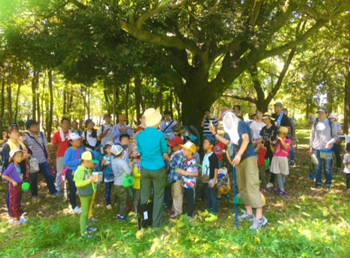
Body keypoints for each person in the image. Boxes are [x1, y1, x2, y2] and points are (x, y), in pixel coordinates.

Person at [210, 110, 268, 230]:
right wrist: (215, 134)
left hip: (248, 157)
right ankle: (249, 213)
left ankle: (260, 218)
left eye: (225, 118)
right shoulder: (231, 131)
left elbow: (246, 140)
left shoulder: (240, 124)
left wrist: (239, 155)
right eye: (223, 119)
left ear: (231, 116)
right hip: (239, 160)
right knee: (242, 186)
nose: (225, 121)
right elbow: (229, 143)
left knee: (252, 184)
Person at [137, 108, 169, 227]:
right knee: (158, 196)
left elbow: (140, 151)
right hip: (158, 167)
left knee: (144, 195)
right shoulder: (160, 134)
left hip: (145, 167)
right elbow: (164, 150)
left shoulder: (140, 135)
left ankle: (143, 221)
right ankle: (156, 223)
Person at [23, 120, 59, 199]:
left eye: (36, 125)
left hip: (43, 160)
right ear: (29, 128)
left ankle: (53, 192)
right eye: (33, 126)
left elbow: (46, 146)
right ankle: (34, 195)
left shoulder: (42, 135)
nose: (36, 127)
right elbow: (21, 147)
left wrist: (48, 157)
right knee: (34, 178)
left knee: (48, 176)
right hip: (32, 161)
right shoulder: (26, 137)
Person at [309, 107, 338, 190]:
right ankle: (318, 183)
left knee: (327, 167)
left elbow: (335, 136)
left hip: (327, 149)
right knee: (317, 166)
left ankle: (328, 183)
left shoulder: (331, 124)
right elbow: (312, 135)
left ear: (326, 114)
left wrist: (330, 142)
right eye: (319, 113)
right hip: (316, 148)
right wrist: (311, 147)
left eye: (322, 113)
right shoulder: (315, 123)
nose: (320, 114)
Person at [73, 151, 99, 238]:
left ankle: (86, 226)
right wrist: (90, 180)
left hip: (89, 193)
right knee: (84, 213)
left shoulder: (88, 169)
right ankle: (83, 232)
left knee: (87, 212)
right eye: (92, 162)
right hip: (84, 195)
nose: (93, 164)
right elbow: (78, 184)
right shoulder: (80, 171)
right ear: (86, 161)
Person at [2, 149, 28, 224]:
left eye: (21, 156)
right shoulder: (11, 166)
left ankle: (13, 217)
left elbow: (16, 175)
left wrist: (21, 178)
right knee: (14, 202)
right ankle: (18, 218)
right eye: (19, 156)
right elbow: (4, 175)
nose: (20, 158)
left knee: (16, 201)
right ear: (13, 157)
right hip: (14, 187)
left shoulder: (17, 165)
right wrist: (12, 181)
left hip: (19, 185)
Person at [199, 137, 219, 222]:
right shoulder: (205, 155)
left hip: (211, 179)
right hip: (205, 179)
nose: (204, 144)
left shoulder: (213, 156)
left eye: (206, 143)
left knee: (212, 196)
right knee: (207, 195)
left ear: (211, 145)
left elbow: (216, 168)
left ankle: (214, 213)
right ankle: (209, 209)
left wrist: (214, 180)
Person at [176, 142, 199, 220]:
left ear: (190, 151)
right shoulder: (186, 160)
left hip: (190, 184)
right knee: (188, 198)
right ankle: (189, 214)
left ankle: (190, 215)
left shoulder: (193, 161)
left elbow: (196, 173)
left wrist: (184, 172)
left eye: (185, 149)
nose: (183, 151)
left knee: (191, 199)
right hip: (185, 183)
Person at [64, 133, 85, 213]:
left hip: (81, 171)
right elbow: (66, 162)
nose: (78, 141)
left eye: (79, 140)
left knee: (81, 188)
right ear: (71, 142)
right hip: (72, 172)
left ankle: (82, 204)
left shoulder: (81, 149)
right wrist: (78, 161)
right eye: (76, 140)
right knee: (73, 188)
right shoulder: (69, 151)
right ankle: (74, 206)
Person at [112, 144, 132, 221]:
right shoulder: (122, 162)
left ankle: (118, 213)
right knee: (123, 200)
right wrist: (130, 165)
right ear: (122, 153)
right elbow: (128, 172)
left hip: (116, 183)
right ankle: (122, 216)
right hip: (123, 183)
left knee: (119, 200)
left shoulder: (113, 161)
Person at [270, 127, 292, 196]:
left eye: (281, 133)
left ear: (285, 134)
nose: (279, 134)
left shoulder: (288, 140)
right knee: (278, 173)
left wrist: (281, 140)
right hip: (276, 157)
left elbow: (286, 147)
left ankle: (281, 188)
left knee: (284, 174)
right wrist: (271, 144)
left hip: (283, 158)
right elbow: (274, 151)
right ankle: (282, 189)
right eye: (279, 133)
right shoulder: (277, 141)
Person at [167, 136, 185, 219]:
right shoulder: (175, 153)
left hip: (178, 177)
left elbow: (174, 165)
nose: (173, 147)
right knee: (174, 193)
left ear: (179, 145)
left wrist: (168, 159)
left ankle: (178, 211)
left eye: (174, 145)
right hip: (173, 177)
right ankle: (174, 209)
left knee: (178, 194)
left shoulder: (181, 154)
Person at [260, 112, 278, 189]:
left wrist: (272, 142)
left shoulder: (275, 128)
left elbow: (277, 139)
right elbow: (262, 138)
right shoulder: (263, 129)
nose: (264, 120)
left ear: (269, 119)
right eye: (263, 119)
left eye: (266, 119)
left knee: (272, 164)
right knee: (262, 164)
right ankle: (262, 179)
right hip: (264, 149)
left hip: (272, 149)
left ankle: (272, 181)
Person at [52, 118, 71, 193]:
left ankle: (70, 186)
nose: (66, 124)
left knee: (70, 171)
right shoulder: (57, 134)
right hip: (61, 155)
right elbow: (53, 144)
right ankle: (58, 188)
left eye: (67, 123)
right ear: (62, 124)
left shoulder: (71, 133)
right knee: (60, 172)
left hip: (71, 155)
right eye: (65, 123)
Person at [101, 142, 115, 209]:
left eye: (111, 148)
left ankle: (116, 202)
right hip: (107, 176)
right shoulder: (104, 157)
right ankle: (108, 203)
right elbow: (102, 168)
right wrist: (102, 164)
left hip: (115, 176)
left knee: (116, 190)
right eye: (108, 148)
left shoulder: (115, 156)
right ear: (105, 149)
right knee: (108, 190)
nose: (110, 149)